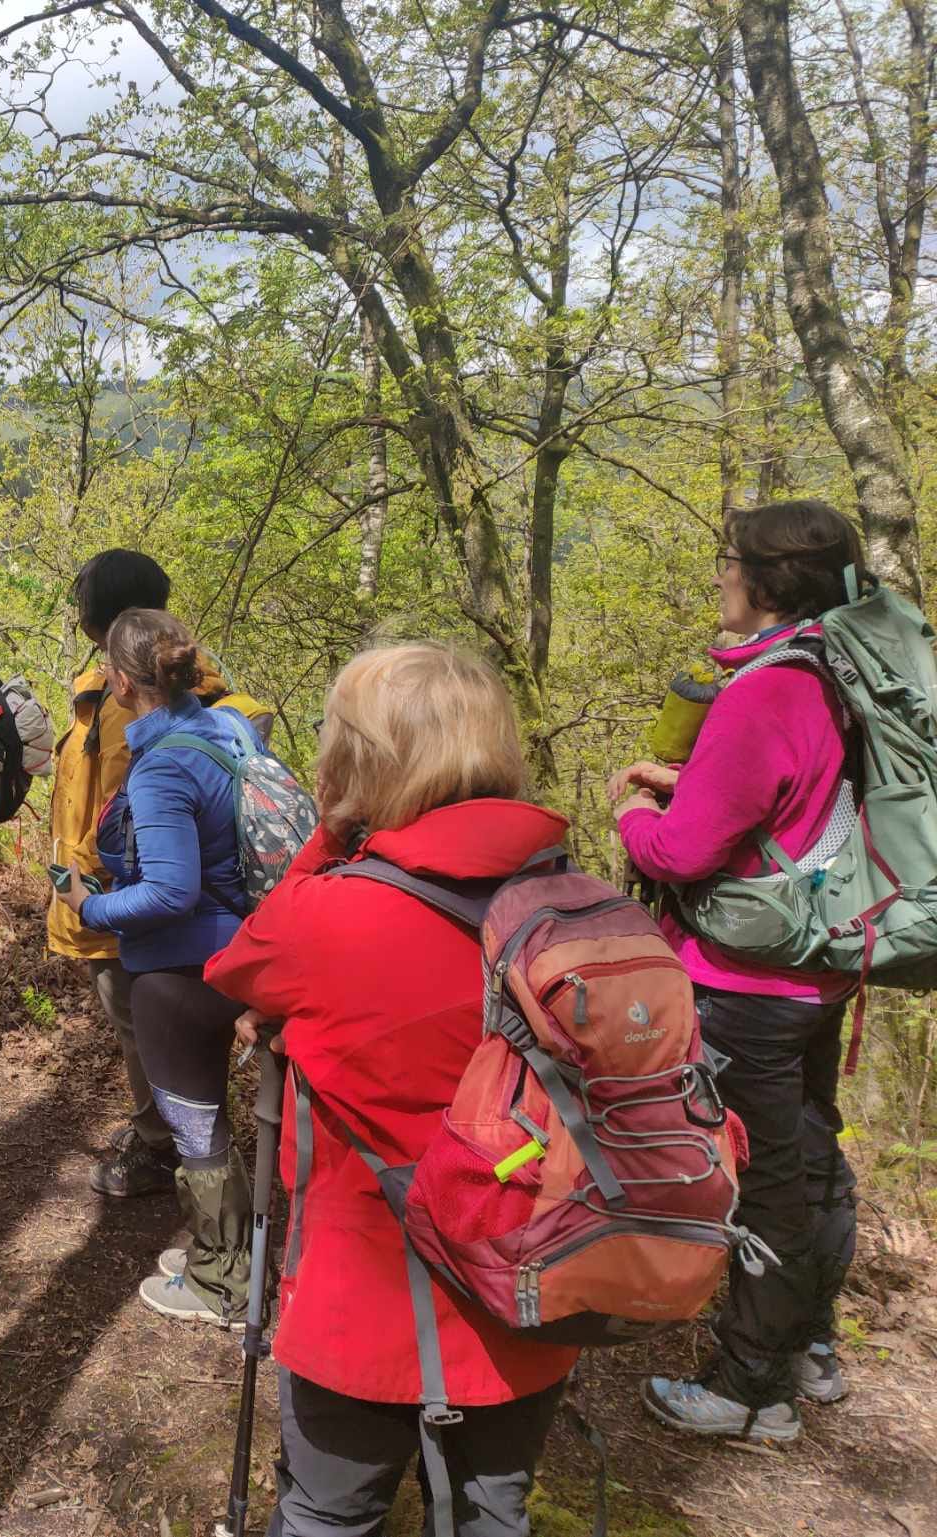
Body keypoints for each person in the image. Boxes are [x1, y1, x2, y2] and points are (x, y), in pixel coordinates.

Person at [205, 642, 580, 1537]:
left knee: (330, 1514)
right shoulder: (575, 902)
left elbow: (236, 964)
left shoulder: (328, 916)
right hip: (531, 1291)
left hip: (363, 1308)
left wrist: (336, 826)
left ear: (358, 761)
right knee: (494, 1509)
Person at [608, 498, 863, 1441]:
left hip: (746, 984)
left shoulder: (764, 689)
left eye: (729, 562)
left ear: (763, 581)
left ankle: (752, 1388)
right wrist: (698, 787)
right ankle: (810, 1347)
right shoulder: (836, 669)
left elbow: (678, 854)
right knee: (809, 1156)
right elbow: (791, 800)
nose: (719, 575)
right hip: (818, 962)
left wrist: (635, 818)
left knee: (758, 1177)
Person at [53, 609, 254, 1324]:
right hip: (242, 951)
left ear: (120, 680)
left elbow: (172, 889)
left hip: (183, 970)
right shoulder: (229, 730)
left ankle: (220, 1278)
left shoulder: (162, 765)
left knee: (195, 1121)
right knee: (210, 1117)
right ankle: (231, 1254)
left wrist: (90, 907)